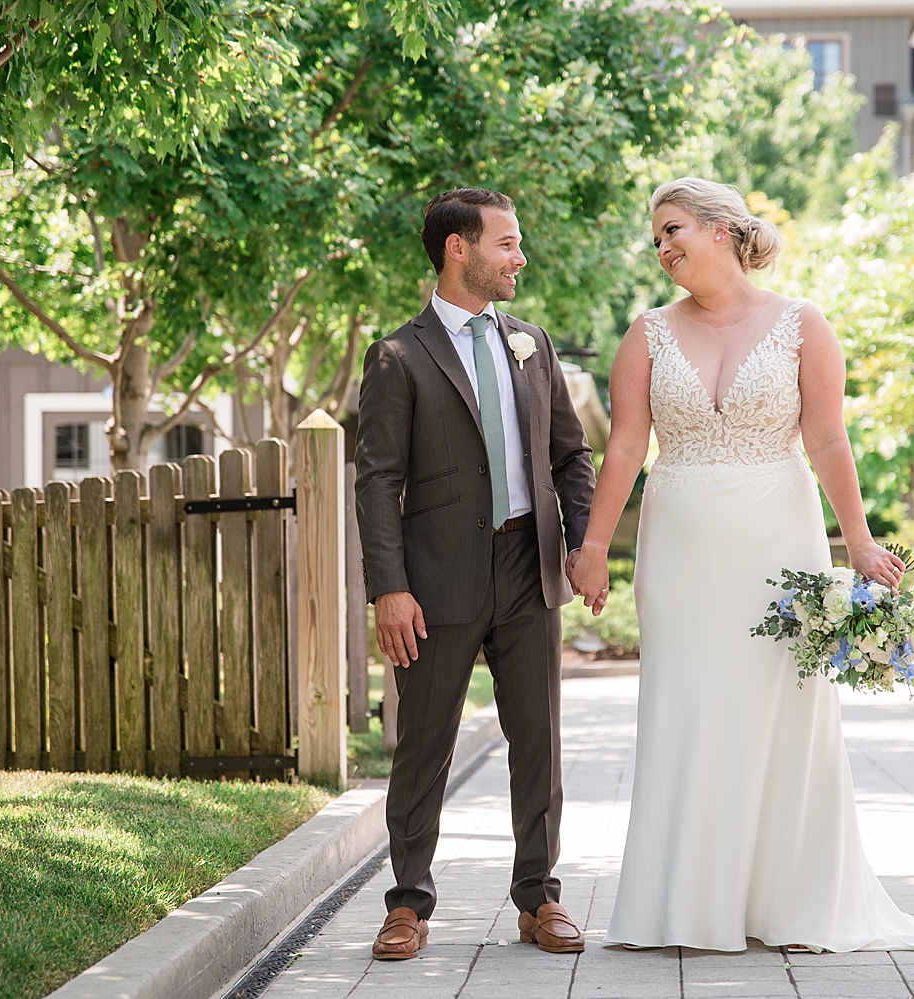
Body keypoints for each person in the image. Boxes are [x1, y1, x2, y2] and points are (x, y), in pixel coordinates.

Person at [569, 177, 914, 955]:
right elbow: (622, 445)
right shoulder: (645, 333)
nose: (663, 247)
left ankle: (790, 902)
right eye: (655, 237)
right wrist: (592, 545)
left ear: (723, 229)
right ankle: (682, 904)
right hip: (679, 548)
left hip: (777, 543)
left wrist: (856, 538)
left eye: (673, 228)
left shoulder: (800, 324)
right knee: (687, 711)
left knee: (780, 715)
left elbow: (827, 439)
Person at [354, 188, 598, 960]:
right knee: (424, 744)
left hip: (529, 567)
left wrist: (582, 543)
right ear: (457, 249)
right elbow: (376, 478)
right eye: (506, 244)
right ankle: (407, 904)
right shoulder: (398, 355)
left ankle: (540, 897)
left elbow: (571, 454)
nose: (519, 257)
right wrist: (388, 586)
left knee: (539, 741)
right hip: (434, 581)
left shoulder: (532, 342)